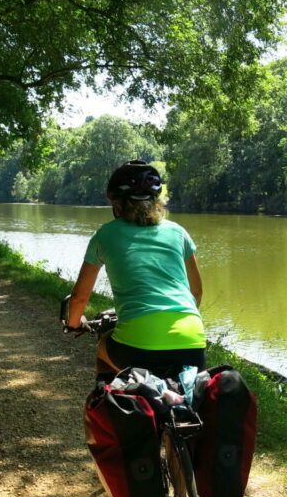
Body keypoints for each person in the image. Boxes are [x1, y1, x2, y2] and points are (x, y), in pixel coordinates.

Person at [65, 160, 205, 380]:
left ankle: (107, 403)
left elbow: (79, 298)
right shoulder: (179, 232)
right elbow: (196, 292)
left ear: (117, 204)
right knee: (188, 396)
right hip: (192, 338)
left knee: (103, 345)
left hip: (137, 341)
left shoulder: (105, 235)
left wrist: (74, 324)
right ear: (157, 201)